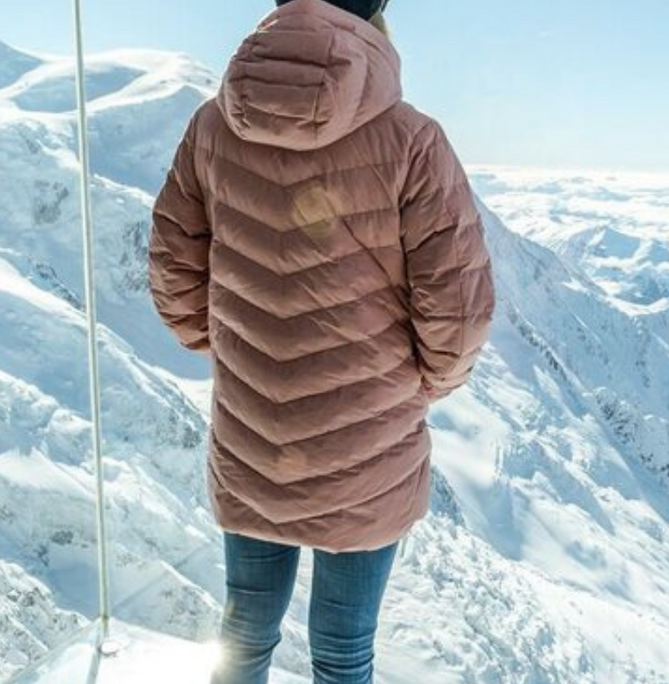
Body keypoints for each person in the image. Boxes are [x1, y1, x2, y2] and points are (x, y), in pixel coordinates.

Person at [146, 0, 495, 682]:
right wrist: (414, 388)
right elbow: (458, 311)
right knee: (342, 649)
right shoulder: (412, 139)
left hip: (251, 433)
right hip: (366, 447)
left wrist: (229, 354)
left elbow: (171, 268)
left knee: (244, 631)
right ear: (375, 17)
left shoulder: (213, 126)